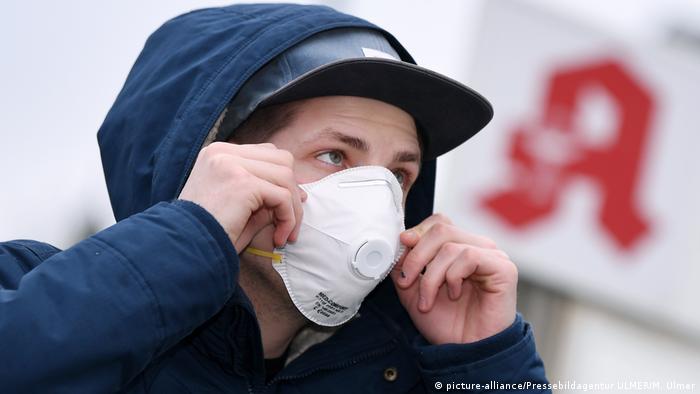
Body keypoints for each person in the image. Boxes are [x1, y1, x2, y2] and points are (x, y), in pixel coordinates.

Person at [0, 4, 550, 393]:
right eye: (335, 156)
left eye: (398, 176)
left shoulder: (404, 375)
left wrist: (484, 365)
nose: (377, 201)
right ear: (216, 156)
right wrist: (190, 235)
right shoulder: (25, 286)